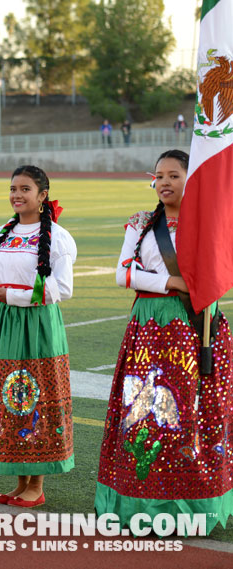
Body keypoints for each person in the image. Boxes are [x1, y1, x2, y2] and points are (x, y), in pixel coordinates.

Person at [95, 149, 233, 534]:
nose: (165, 182)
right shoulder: (140, 223)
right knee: (146, 412)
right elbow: (124, 274)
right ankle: (142, 501)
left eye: (174, 175)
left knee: (192, 412)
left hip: (197, 327)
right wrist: (169, 282)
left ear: (193, 178)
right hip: (150, 326)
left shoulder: (211, 220)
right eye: (159, 176)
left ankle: (192, 506)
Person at [0, 165, 77, 508]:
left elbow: (62, 289)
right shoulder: (2, 232)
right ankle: (20, 481)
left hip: (38, 326)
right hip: (4, 325)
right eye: (13, 188)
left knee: (38, 396)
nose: (17, 195)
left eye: (25, 189)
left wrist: (11, 296)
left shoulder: (58, 237)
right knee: (11, 398)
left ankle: (38, 483)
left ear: (42, 195)